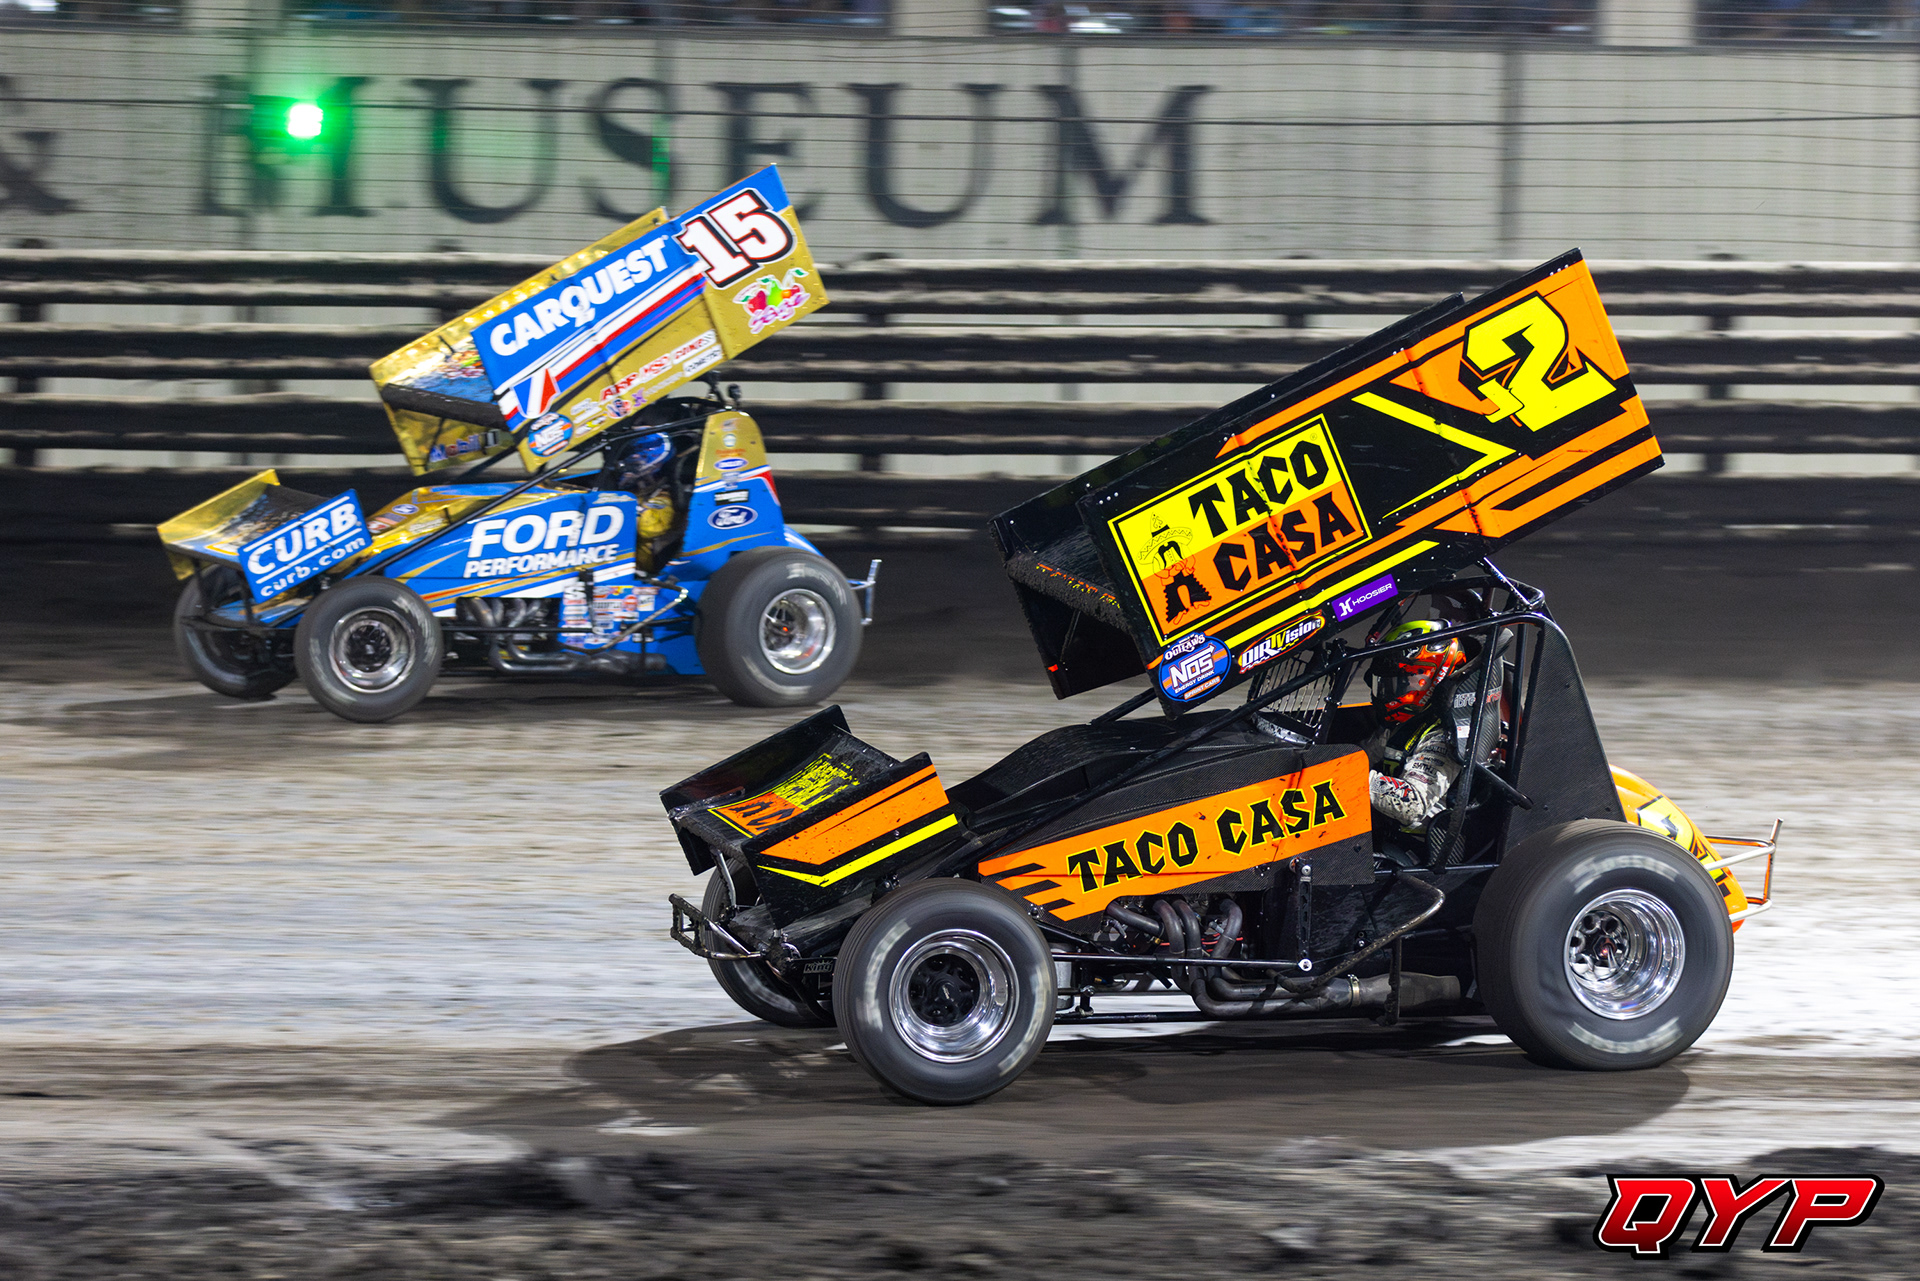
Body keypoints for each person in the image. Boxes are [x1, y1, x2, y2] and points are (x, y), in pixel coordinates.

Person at [1364, 619, 1474, 831]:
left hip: (1420, 850)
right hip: (1386, 833)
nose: (1390, 689)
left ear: (1430, 677)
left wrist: (1351, 778)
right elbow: (1361, 756)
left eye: (1401, 680)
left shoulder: (1445, 735)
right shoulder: (1404, 720)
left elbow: (1412, 804)